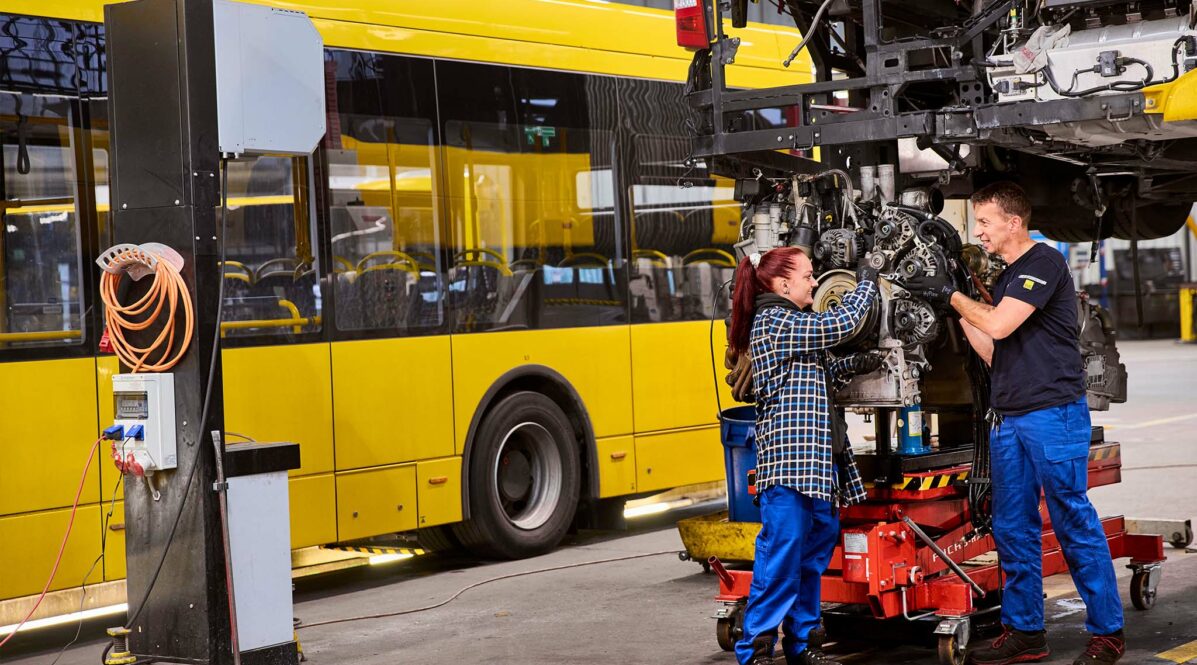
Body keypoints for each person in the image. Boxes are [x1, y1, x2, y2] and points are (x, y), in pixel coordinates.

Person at [899, 181, 1125, 665]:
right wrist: (952, 301)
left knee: (1072, 521)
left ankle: (1108, 632)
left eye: (984, 222)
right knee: (1012, 528)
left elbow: (999, 324)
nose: (978, 231)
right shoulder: (1005, 280)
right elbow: (991, 350)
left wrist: (955, 298)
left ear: (1013, 223)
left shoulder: (1042, 262)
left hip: (1052, 415)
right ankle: (1025, 631)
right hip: (1008, 420)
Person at [727, 246, 880, 665]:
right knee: (781, 557)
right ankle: (755, 649)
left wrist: (860, 362)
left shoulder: (796, 324)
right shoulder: (774, 321)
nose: (815, 282)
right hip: (790, 466)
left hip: (818, 465)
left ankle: (803, 643)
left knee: (812, 559)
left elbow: (822, 370)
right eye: (809, 275)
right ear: (782, 284)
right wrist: (866, 280)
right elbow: (842, 323)